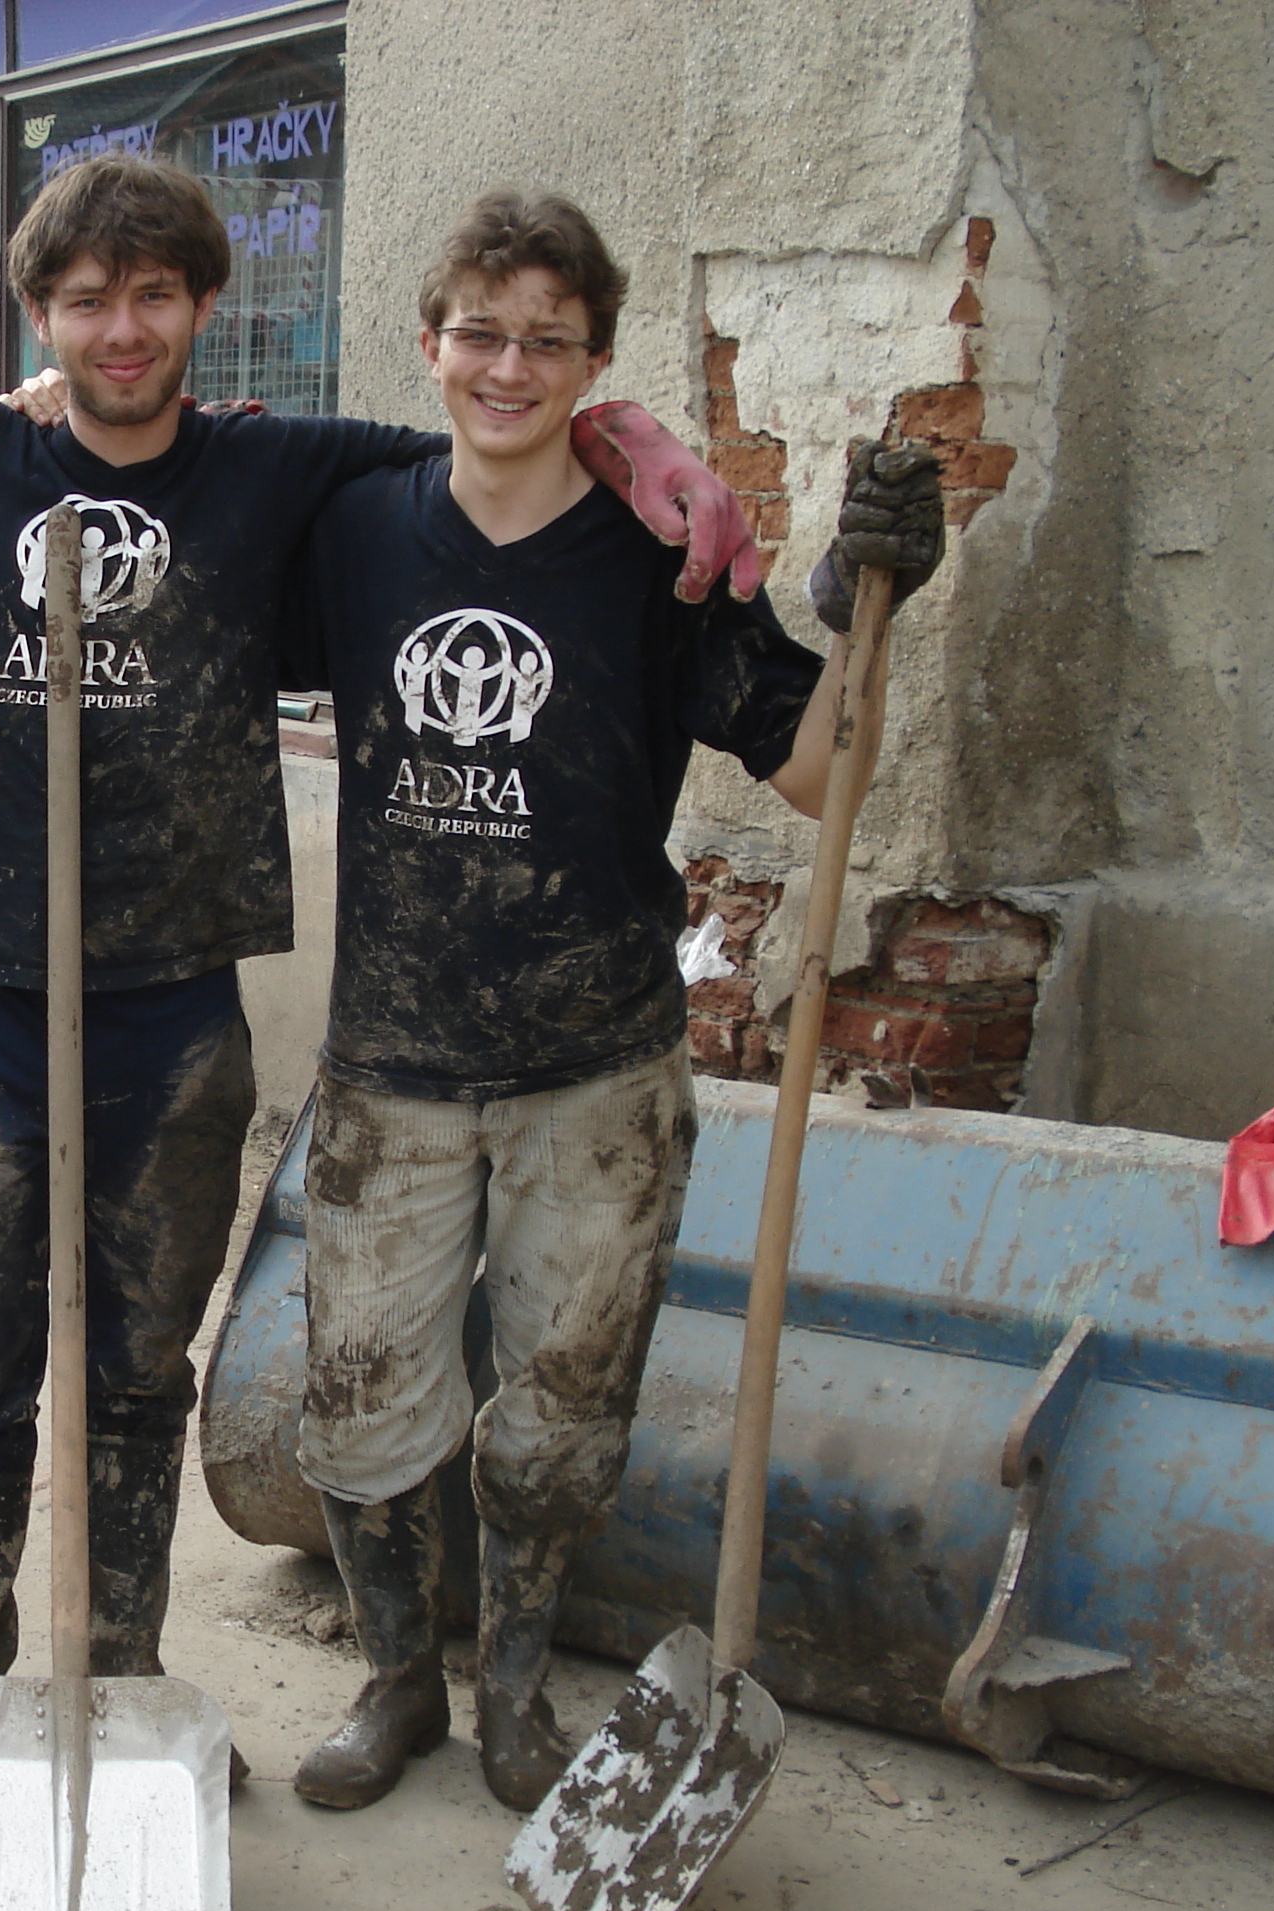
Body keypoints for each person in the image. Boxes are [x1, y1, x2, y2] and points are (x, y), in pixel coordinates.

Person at [0, 153, 765, 1844]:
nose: (121, 329)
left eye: (154, 295)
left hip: (172, 1010)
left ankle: (126, 1694)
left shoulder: (281, 470)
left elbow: (501, 437)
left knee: (138, 1375)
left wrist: (646, 442)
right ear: (36, 313)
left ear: (204, 308)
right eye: (86, 300)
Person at [277, 190, 941, 1814]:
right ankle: (394, 1683)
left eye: (548, 341)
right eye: (481, 334)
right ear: (429, 342)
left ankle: (513, 1690)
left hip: (598, 1071)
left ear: (594, 360)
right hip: (391, 1061)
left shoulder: (663, 558)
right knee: (359, 1403)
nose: (508, 368)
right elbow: (188, 489)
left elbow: (820, 772)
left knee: (564, 1412)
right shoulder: (354, 528)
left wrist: (870, 608)